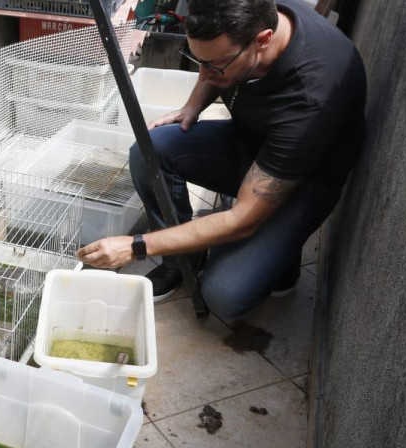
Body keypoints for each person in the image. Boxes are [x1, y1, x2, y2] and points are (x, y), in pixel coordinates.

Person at [75, 0, 366, 319]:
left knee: (224, 294)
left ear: (263, 40)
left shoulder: (312, 97)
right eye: (198, 59)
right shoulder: (246, 12)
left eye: (215, 66)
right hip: (250, 140)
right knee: (151, 150)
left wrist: (137, 245)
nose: (204, 74)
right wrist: (193, 106)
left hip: (305, 179)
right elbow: (211, 64)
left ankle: (281, 254)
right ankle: (183, 258)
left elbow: (242, 218)